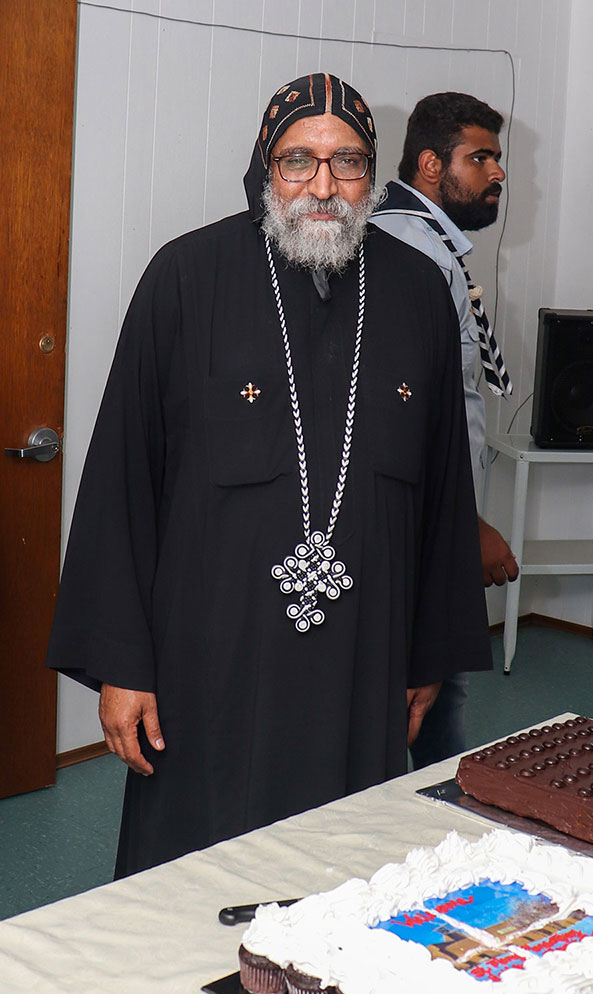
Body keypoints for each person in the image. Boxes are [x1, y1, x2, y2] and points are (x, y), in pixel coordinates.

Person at [47, 74, 491, 877]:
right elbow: (122, 482)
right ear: (265, 167)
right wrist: (122, 667)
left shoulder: (418, 291)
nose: (323, 185)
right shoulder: (186, 277)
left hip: (363, 658)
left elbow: (443, 498)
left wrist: (430, 655)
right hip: (206, 660)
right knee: (192, 879)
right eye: (298, 161)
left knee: (344, 876)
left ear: (371, 173)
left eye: (346, 162)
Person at [371, 91, 518, 768]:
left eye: (497, 157)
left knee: (433, 692)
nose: (498, 172)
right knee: (431, 696)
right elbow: (412, 413)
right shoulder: (412, 250)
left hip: (435, 515)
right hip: (426, 522)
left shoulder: (430, 243)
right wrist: (467, 525)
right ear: (431, 165)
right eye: (480, 158)